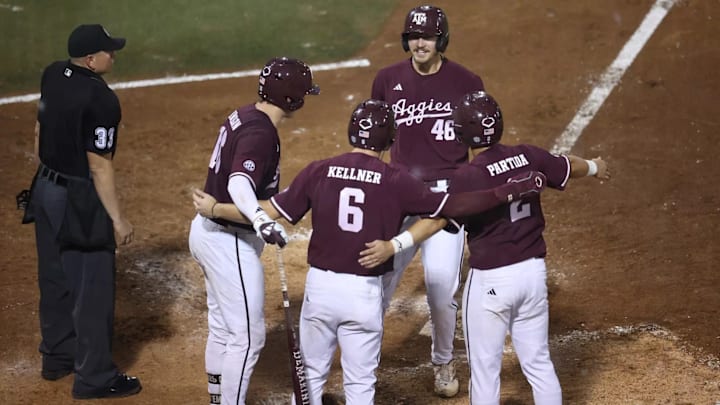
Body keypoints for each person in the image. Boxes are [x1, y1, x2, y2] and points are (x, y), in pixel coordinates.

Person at [191, 99, 546, 404]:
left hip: (320, 292)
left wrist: (216, 210)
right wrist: (399, 243)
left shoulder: (319, 171)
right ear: (390, 140)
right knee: (360, 384)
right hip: (363, 295)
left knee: (311, 376)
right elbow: (447, 211)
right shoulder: (396, 180)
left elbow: (268, 210)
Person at [361, 91, 611, 405]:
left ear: (462, 133)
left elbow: (440, 221)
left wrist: (395, 244)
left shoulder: (469, 176)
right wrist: (594, 166)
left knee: (484, 370)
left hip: (492, 282)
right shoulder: (527, 155)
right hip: (533, 276)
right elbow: (566, 165)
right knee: (538, 363)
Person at [187, 56, 320, 405]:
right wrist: (262, 220)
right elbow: (239, 183)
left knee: (222, 328)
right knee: (248, 337)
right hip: (228, 241)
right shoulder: (261, 133)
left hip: (208, 232)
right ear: (293, 99)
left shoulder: (246, 114)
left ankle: (219, 400)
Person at [369, 4, 486, 397]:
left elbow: (480, 144)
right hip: (400, 199)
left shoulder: (468, 82)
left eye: (428, 36)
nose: (420, 43)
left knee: (439, 292)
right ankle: (364, 365)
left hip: (444, 203)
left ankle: (442, 363)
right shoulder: (386, 80)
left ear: (441, 40)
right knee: (378, 285)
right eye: (415, 36)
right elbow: (377, 143)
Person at [27, 24, 140, 399]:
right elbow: (99, 165)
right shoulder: (101, 99)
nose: (114, 55)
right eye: (109, 51)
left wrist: (50, 171)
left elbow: (40, 131)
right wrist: (117, 219)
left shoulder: (52, 73)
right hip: (77, 198)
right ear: (91, 59)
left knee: (55, 279)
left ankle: (58, 358)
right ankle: (94, 377)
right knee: (92, 288)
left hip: (43, 188)